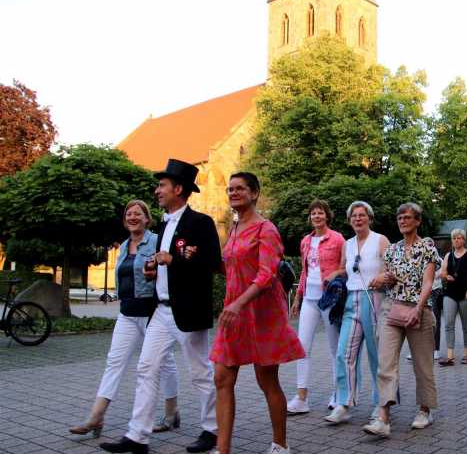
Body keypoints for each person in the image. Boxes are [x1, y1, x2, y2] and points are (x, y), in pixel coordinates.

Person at [100, 159, 221, 454]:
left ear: (178, 189)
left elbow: (212, 264)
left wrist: (174, 260)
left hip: (188, 310)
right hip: (161, 311)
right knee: (146, 368)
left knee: (199, 372)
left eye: (161, 185)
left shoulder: (200, 222)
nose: (156, 190)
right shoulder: (164, 224)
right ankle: (137, 436)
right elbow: (167, 266)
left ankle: (212, 430)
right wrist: (154, 271)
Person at [209, 172, 305, 454]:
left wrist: (239, 303)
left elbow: (266, 275)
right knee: (222, 378)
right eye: (230, 189)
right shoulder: (234, 228)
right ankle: (222, 449)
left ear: (254, 193)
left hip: (262, 313)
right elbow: (230, 268)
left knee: (267, 380)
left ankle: (280, 445)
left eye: (240, 188)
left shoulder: (266, 229)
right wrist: (200, 260)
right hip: (234, 312)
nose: (233, 193)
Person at [70, 200, 179, 438]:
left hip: (152, 313)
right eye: (129, 214)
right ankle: (96, 416)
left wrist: (154, 274)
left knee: (165, 363)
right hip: (127, 313)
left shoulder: (157, 241)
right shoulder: (123, 247)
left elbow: (168, 271)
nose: (132, 217)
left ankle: (171, 412)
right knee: (114, 362)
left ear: (147, 219)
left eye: (138, 214)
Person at [363, 203, 438, 438]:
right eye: (400, 217)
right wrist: (382, 278)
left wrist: (419, 308)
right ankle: (383, 418)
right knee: (385, 362)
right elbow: (386, 275)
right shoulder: (392, 250)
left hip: (419, 310)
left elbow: (428, 282)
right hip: (392, 308)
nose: (402, 221)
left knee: (422, 365)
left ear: (417, 221)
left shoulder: (427, 246)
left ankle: (425, 410)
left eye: (407, 217)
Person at [325, 201, 389, 424]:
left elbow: (392, 268)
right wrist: (335, 274)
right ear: (349, 220)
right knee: (344, 353)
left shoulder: (380, 240)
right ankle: (344, 403)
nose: (358, 219)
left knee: (377, 355)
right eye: (354, 216)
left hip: (374, 298)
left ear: (369, 218)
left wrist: (382, 277)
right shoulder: (348, 244)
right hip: (351, 300)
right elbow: (345, 269)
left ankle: (380, 405)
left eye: (362, 215)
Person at [287, 200, 345, 414]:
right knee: (302, 347)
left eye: (320, 213)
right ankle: (301, 398)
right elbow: (305, 271)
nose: (317, 216)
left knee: (335, 349)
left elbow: (345, 268)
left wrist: (335, 274)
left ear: (327, 216)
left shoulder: (337, 239)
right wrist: (297, 298)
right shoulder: (306, 241)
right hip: (309, 301)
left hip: (329, 300)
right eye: (313, 213)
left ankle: (338, 394)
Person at [438, 229, 467, 365]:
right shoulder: (448, 255)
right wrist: (446, 276)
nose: (456, 240)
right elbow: (442, 272)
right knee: (448, 324)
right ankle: (450, 356)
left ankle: (466, 354)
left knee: (466, 325)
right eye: (454, 238)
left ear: (464, 240)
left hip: (465, 293)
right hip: (450, 292)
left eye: (459, 238)